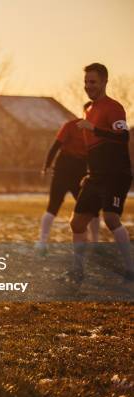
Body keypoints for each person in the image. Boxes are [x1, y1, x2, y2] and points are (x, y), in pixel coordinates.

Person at [69, 63, 133, 282]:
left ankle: (131, 269)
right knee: (76, 223)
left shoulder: (113, 107)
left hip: (116, 174)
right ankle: (77, 271)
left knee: (111, 218)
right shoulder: (88, 110)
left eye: (93, 81)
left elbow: (123, 137)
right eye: (86, 82)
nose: (88, 86)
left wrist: (93, 128)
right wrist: (88, 172)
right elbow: (94, 150)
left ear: (105, 81)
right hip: (96, 176)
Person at [36, 103, 100, 254]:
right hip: (63, 171)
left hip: (81, 173)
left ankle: (96, 243)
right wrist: (46, 165)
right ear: (84, 112)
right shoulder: (70, 126)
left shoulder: (96, 131)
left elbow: (97, 155)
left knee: (92, 208)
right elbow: (56, 146)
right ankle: (42, 242)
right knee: (53, 206)